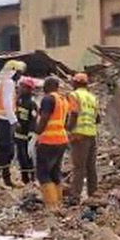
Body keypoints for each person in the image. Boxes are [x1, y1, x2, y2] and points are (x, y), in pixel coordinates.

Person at [35, 76, 70, 210]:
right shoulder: (63, 100)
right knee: (55, 172)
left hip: (49, 140)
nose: (43, 88)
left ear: (50, 86)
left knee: (43, 173)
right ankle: (58, 200)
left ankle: (51, 204)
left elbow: (44, 119)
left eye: (45, 85)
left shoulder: (48, 99)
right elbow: (65, 122)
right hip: (61, 139)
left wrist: (36, 132)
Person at [66, 73, 100, 204]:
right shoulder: (93, 97)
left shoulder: (74, 95)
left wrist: (68, 128)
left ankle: (75, 196)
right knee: (91, 166)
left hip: (79, 134)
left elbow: (74, 113)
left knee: (78, 167)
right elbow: (97, 118)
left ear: (76, 83)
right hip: (91, 134)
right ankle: (93, 194)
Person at [0, 59, 26, 188]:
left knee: (6, 150)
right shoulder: (9, 83)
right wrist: (14, 121)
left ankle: (5, 179)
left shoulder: (5, 82)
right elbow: (7, 103)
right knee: (5, 150)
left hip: (2, 119)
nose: (20, 75)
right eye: (19, 72)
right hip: (4, 120)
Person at [14, 77, 38, 185]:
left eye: (22, 87)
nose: (19, 89)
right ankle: (24, 179)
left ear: (29, 89)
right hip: (18, 135)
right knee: (20, 157)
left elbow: (33, 120)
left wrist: (31, 134)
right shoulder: (19, 100)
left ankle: (32, 178)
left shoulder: (31, 104)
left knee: (27, 157)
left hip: (26, 135)